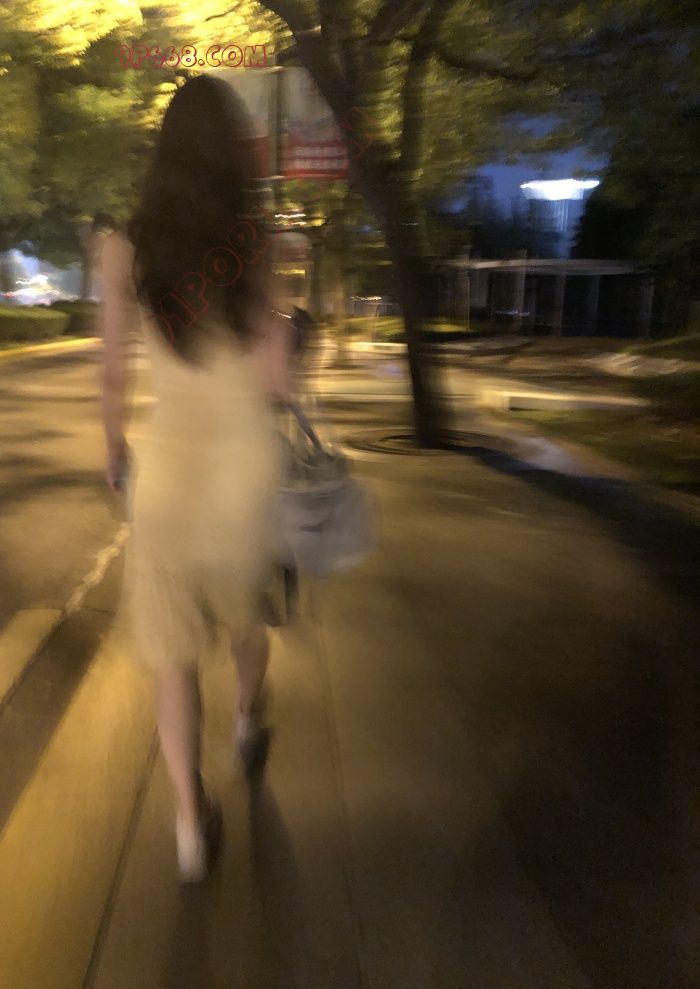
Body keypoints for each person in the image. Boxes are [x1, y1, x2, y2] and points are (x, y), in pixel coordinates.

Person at [100, 75, 293, 883]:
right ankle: (247, 718)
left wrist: (113, 449)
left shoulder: (123, 248)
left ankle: (188, 823)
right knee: (248, 617)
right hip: (243, 477)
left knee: (171, 656)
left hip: (168, 480)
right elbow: (276, 378)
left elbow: (113, 373)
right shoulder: (257, 242)